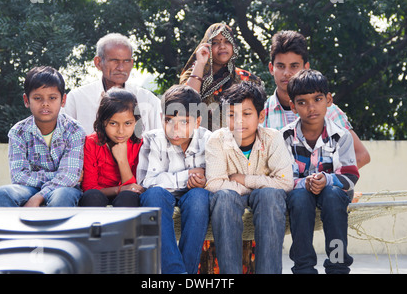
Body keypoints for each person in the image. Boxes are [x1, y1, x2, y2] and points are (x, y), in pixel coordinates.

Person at [205, 81, 293, 274]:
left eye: (246, 114)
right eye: (231, 115)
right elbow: (213, 184)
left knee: (270, 195)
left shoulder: (273, 138)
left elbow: (286, 182)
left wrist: (244, 180)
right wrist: (258, 184)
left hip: (264, 200)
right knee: (225, 196)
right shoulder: (217, 140)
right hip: (230, 201)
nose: (239, 121)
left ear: (261, 116)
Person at [281, 69, 359, 274]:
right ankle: (303, 266)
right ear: (293, 106)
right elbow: (283, 178)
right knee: (299, 198)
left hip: (333, 195)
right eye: (302, 102)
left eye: (317, 99)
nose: (311, 107)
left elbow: (350, 177)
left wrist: (326, 179)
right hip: (299, 196)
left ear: (329, 99)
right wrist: (305, 183)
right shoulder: (284, 137)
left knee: (333, 196)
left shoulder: (341, 136)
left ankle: (337, 265)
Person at [263, 30, 370, 168]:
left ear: (306, 67)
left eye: (294, 66)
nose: (287, 73)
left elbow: (361, 155)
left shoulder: (328, 110)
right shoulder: (261, 113)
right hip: (278, 188)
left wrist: (324, 180)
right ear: (271, 68)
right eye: (280, 66)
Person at [137, 85, 211, 274]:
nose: (175, 129)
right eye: (169, 120)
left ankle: (186, 272)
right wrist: (188, 176)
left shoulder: (209, 140)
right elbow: (147, 182)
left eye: (184, 122)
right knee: (153, 196)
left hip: (193, 197)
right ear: (162, 118)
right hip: (161, 197)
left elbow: (215, 177)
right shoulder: (152, 139)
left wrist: (205, 181)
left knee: (200, 197)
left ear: (197, 121)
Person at [0, 66, 85, 207]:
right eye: (37, 98)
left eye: (52, 98)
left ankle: (56, 230)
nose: (45, 103)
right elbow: (18, 176)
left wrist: (40, 195)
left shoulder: (74, 130)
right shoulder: (18, 132)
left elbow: (70, 177)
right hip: (28, 189)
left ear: (63, 100)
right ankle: (14, 229)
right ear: (26, 100)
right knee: (2, 193)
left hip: (65, 188)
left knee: (62, 196)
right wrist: (56, 175)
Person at [63, 33, 162, 135]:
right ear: (98, 62)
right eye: (114, 61)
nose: (121, 68)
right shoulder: (77, 99)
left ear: (132, 63)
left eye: (126, 61)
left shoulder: (148, 100)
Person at [180, 23, 263, 131]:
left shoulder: (247, 78)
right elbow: (187, 101)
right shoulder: (192, 74)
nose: (222, 46)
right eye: (215, 42)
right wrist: (200, 63)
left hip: (237, 141)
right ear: (207, 45)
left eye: (227, 41)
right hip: (200, 142)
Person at [79, 88, 144, 207]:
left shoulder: (139, 144)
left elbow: (134, 188)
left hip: (126, 197)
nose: (120, 131)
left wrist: (122, 160)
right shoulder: (91, 143)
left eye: (128, 123)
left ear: (136, 122)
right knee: (92, 196)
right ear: (103, 122)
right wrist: (118, 189)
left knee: (129, 196)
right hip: (99, 195)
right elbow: (89, 188)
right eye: (113, 123)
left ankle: (123, 226)